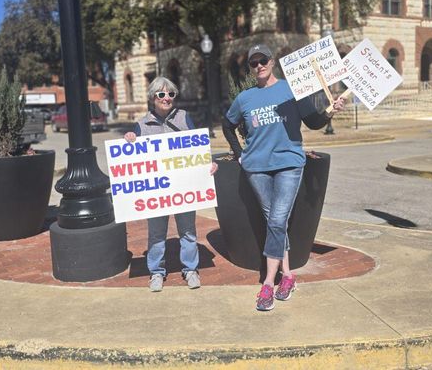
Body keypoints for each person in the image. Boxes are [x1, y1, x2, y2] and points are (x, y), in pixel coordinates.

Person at [222, 44, 345, 311]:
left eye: (263, 60)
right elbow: (227, 124)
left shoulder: (290, 90)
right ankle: (288, 275)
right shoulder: (245, 98)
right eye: (253, 63)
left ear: (272, 61)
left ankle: (268, 282)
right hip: (256, 167)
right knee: (273, 221)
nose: (259, 66)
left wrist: (330, 110)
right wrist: (239, 154)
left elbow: (313, 122)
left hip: (289, 163)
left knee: (277, 219)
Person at [124, 76, 218, 292]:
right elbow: (131, 159)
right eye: (161, 94)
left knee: (187, 231)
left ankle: (190, 269)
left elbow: (198, 148)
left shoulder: (184, 118)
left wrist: (209, 162)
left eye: (170, 94)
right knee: (157, 233)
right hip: (157, 192)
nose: (166, 98)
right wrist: (128, 138)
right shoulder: (140, 125)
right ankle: (156, 272)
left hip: (183, 188)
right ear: (152, 98)